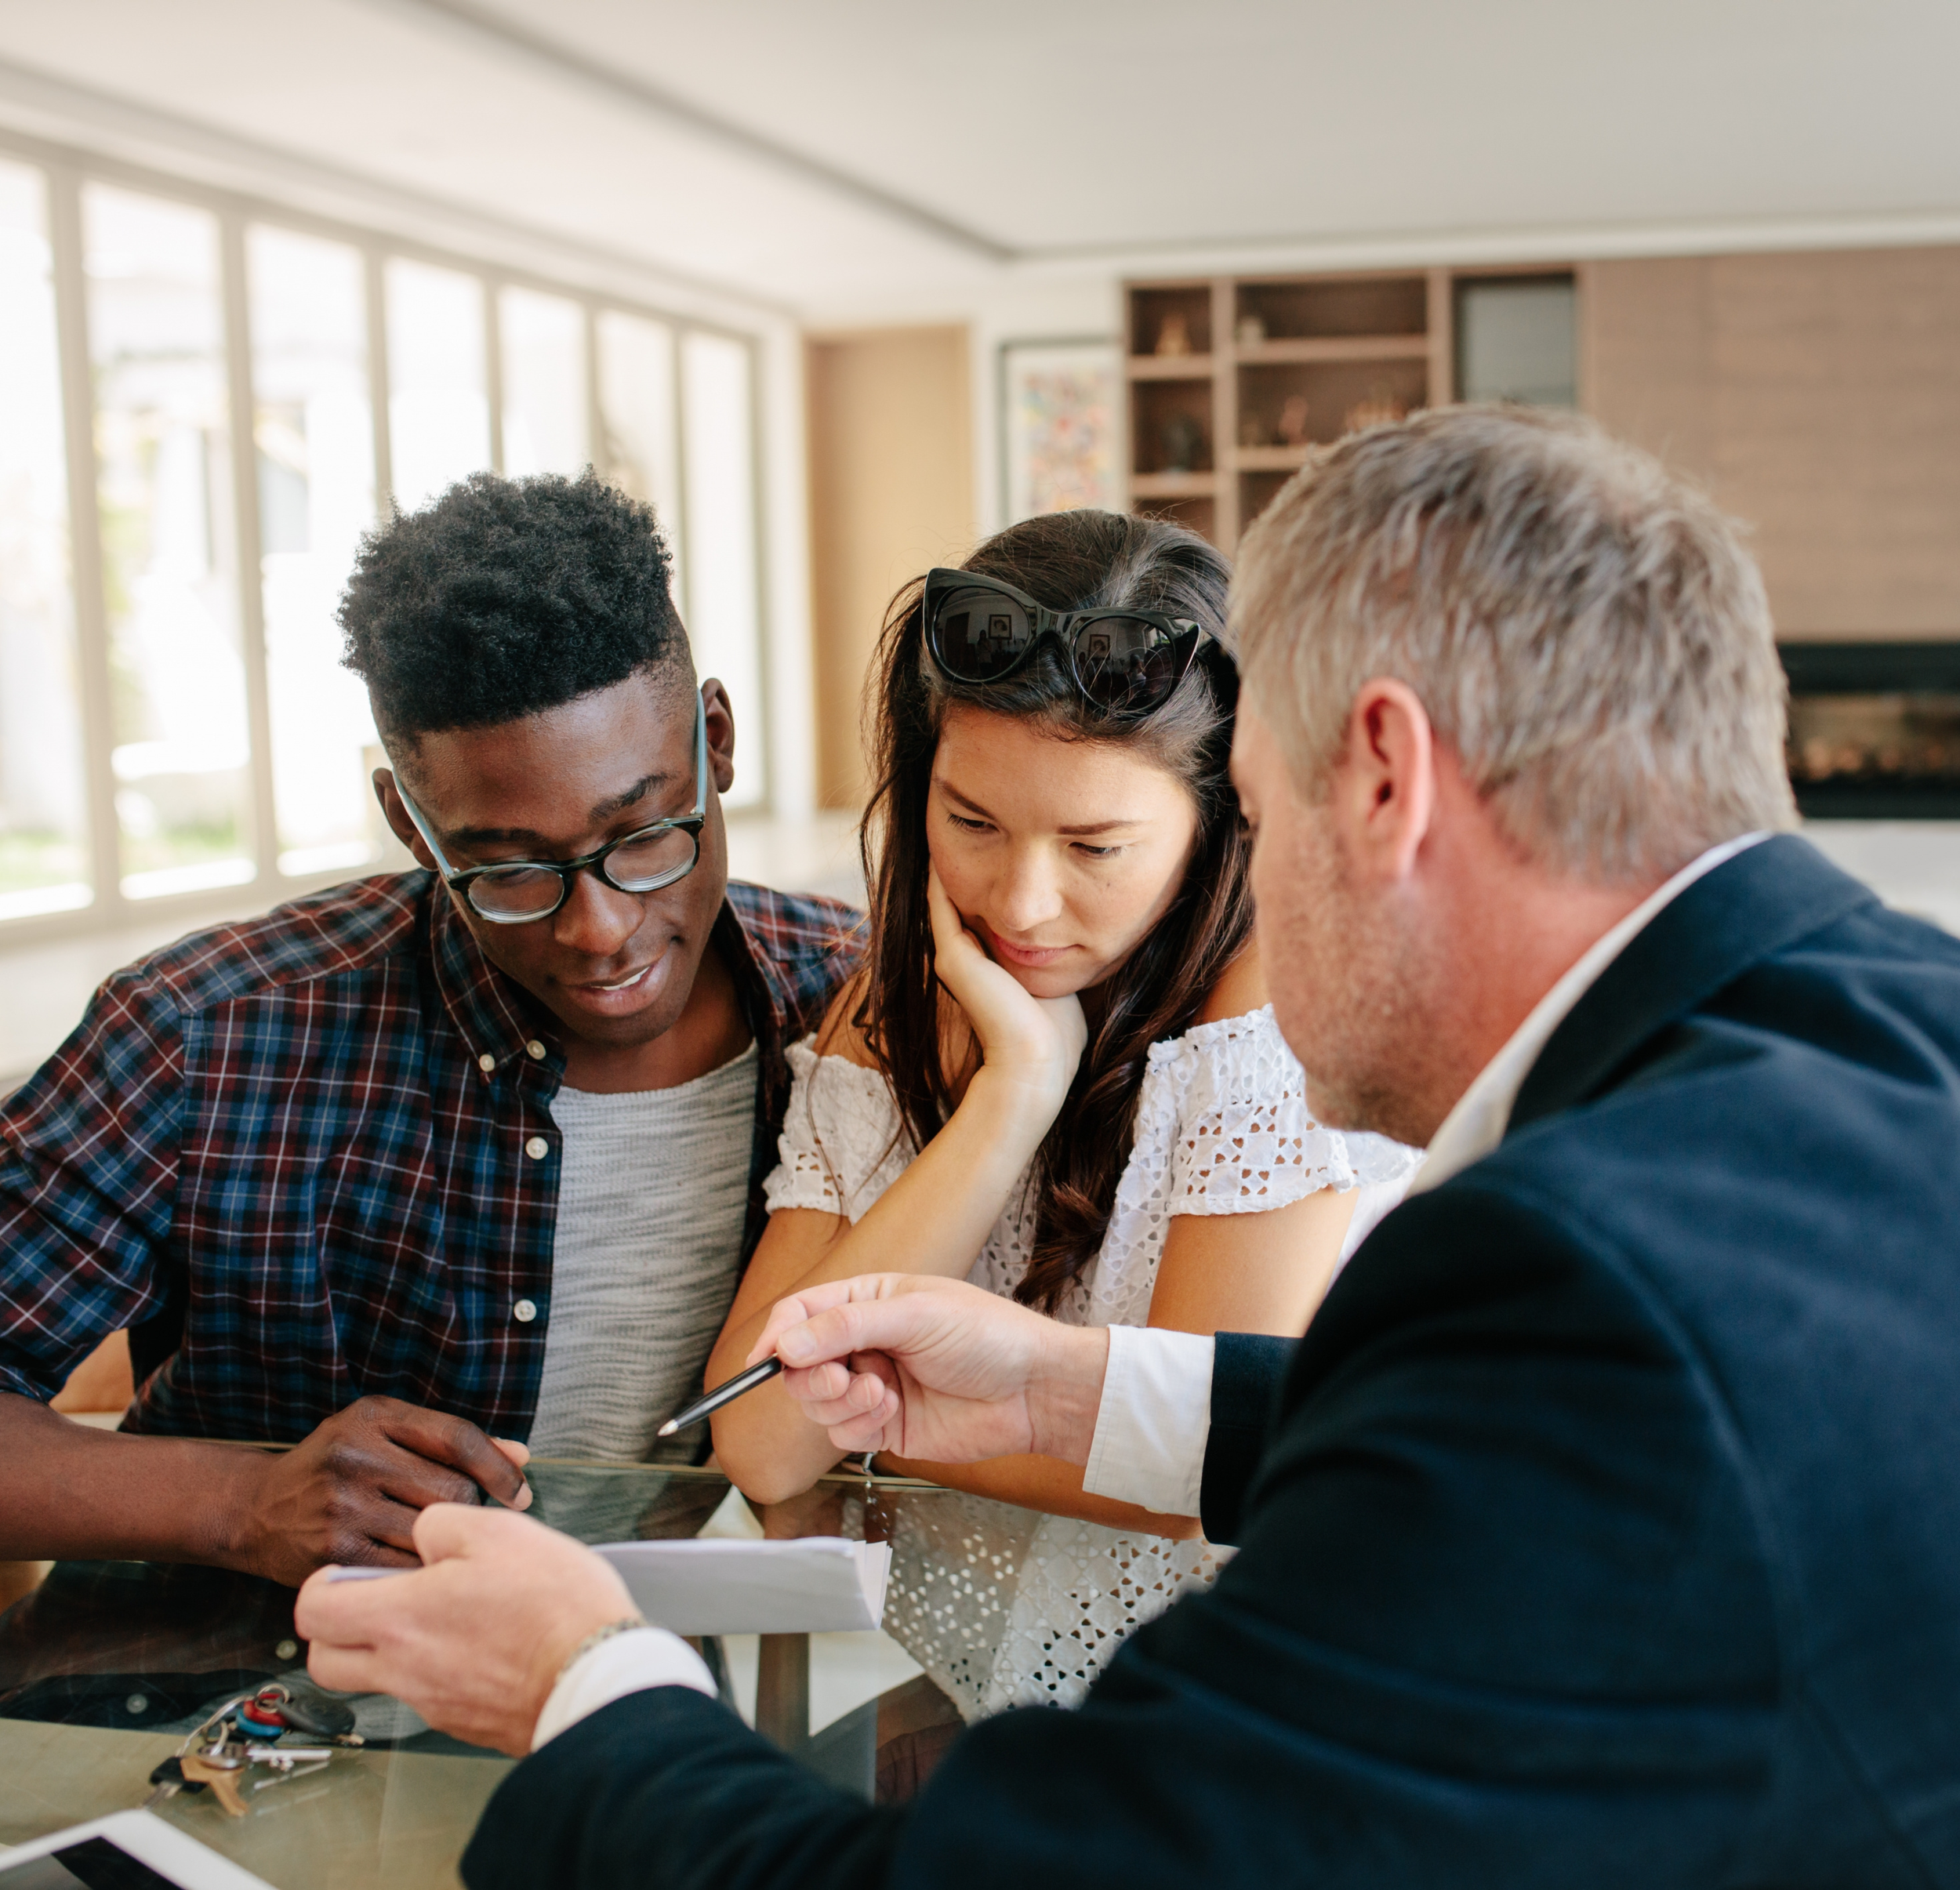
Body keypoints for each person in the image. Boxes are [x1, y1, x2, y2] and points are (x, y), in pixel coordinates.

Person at [296, 410, 1960, 1888]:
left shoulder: (1579, 1262)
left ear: (1375, 779)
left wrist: (584, 1679)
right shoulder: (1887, 1033)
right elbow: (1529, 1425)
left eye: (1246, 803)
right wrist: (1064, 1392)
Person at [0, 472, 859, 1588]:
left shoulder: (860, 1013)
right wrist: (237, 1502)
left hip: (655, 1704)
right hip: (238, 1710)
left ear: (716, 739)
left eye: (647, 833)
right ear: (410, 823)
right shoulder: (205, 1035)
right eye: (506, 869)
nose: (601, 929)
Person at [707, 510, 1417, 1722]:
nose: (1021, 901)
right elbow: (763, 1443)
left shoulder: (1277, 1011)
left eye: (1097, 844)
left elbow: (1194, 1458)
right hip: (963, 1699)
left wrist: (870, 1426)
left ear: (1222, 823)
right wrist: (1012, 1094)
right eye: (971, 820)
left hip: (1235, 1713)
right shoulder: (899, 999)